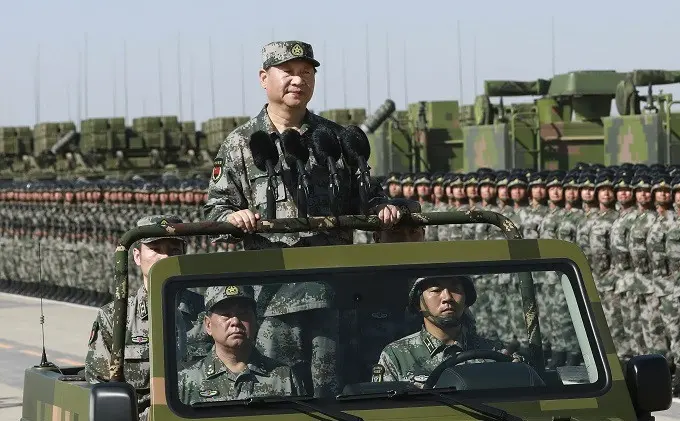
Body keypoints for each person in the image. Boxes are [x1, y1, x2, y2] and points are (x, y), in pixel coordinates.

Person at [203, 40, 402, 398]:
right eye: (289, 72)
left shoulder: (335, 140)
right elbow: (214, 208)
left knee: (335, 390)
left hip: (333, 291)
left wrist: (381, 208)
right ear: (265, 78)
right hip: (271, 298)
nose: (299, 80)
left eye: (307, 73)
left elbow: (368, 193)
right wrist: (234, 216)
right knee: (278, 391)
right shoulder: (240, 144)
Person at [84, 215, 199, 421]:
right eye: (156, 249)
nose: (165, 258)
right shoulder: (115, 318)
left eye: (174, 250)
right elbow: (100, 385)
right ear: (137, 256)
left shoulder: (208, 312)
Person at [373, 274, 522, 388]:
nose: (447, 297)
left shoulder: (495, 353)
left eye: (455, 289)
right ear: (418, 304)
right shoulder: (397, 356)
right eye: (436, 290)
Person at [178, 285, 303, 405]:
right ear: (208, 325)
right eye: (226, 315)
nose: (235, 321)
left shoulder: (283, 377)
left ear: (256, 320)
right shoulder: (187, 381)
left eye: (243, 313)